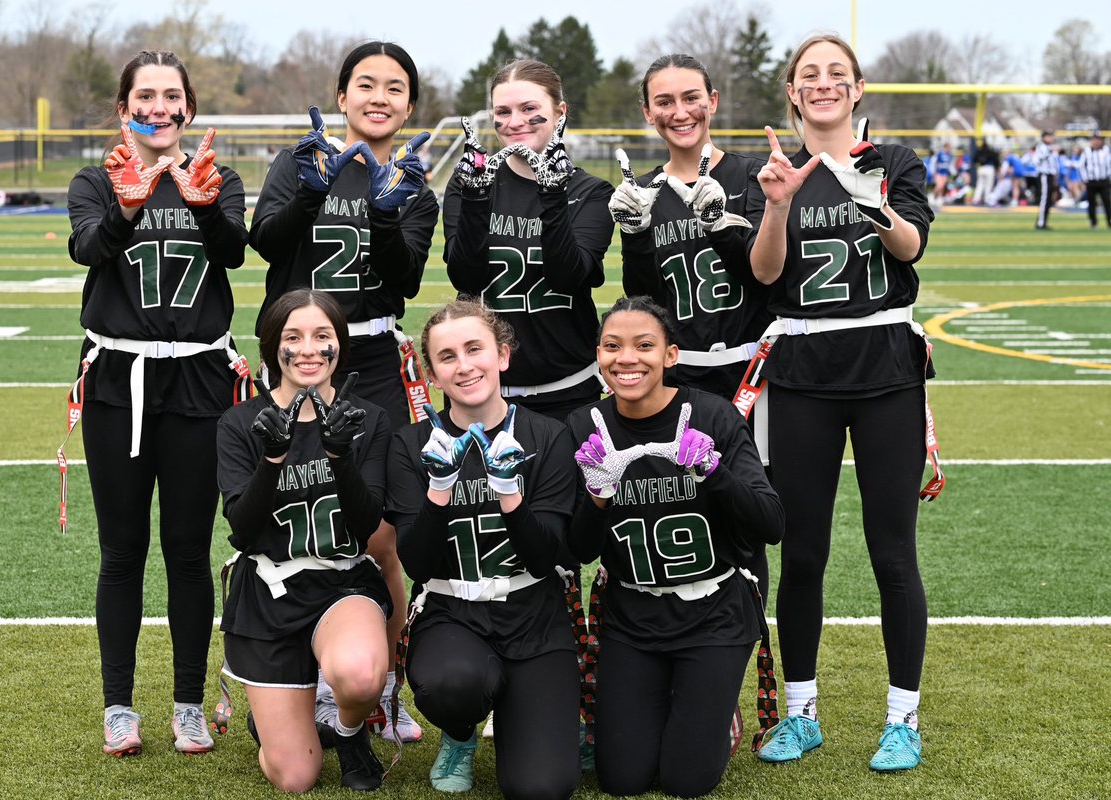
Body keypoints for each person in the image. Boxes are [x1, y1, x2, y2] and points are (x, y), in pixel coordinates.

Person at [747, 34, 936, 772]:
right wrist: (775, 205)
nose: (823, 84)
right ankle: (801, 713)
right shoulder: (771, 168)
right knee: (803, 552)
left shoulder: (895, 161)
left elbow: (911, 247)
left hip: (886, 368)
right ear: (793, 93)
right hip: (802, 372)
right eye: (809, 75)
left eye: (837, 74)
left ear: (857, 89)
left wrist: (872, 203)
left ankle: (903, 718)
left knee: (893, 551)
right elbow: (766, 273)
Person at [249, 40, 439, 741]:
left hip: (375, 363)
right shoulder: (301, 160)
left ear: (410, 106)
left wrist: (386, 211)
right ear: (342, 95)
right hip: (298, 357)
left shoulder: (415, 182)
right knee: (293, 523)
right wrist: (310, 188)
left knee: (382, 535)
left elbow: (407, 276)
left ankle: (381, 687)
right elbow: (265, 242)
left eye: (394, 88)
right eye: (366, 83)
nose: (379, 97)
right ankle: (297, 679)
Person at [65, 50, 247, 757]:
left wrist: (203, 205)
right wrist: (127, 204)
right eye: (145, 95)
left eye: (173, 96)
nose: (159, 107)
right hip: (119, 378)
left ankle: (187, 704)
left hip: (198, 377)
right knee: (121, 550)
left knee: (188, 550)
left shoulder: (217, 177)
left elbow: (233, 252)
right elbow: (87, 248)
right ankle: (118, 706)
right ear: (124, 108)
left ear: (189, 109)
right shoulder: (94, 179)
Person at [566, 296, 783, 797]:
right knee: (622, 779)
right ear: (597, 355)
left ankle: (714, 711)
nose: (627, 358)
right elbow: (579, 549)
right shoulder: (583, 425)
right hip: (631, 617)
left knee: (687, 781)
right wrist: (597, 497)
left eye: (644, 346)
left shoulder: (712, 415)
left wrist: (714, 473)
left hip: (712, 613)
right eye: (612, 346)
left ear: (670, 355)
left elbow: (770, 525)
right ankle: (672, 703)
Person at [385, 299, 580, 798]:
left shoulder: (548, 435)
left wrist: (510, 494)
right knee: (452, 684)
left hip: (534, 612)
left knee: (542, 788)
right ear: (432, 375)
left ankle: (533, 714)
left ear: (503, 356)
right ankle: (460, 732)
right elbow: (417, 564)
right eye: (447, 356)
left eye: (475, 349)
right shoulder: (411, 444)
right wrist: (439, 490)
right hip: (452, 612)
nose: (464, 365)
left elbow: (547, 557)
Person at [610, 52, 772, 599]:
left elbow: (767, 277)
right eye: (664, 101)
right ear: (647, 112)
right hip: (683, 377)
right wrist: (635, 236)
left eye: (690, 98)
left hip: (751, 373)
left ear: (712, 102)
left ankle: (746, 631)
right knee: (686, 507)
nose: (679, 112)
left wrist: (723, 226)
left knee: (750, 514)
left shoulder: (751, 175)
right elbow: (642, 301)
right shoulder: (645, 190)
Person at [216, 289, 392, 792]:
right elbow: (243, 530)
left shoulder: (367, 418)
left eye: (322, 335)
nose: (309, 349)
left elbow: (366, 525)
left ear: (341, 345)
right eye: (293, 337)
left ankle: (349, 731)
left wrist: (340, 455)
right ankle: (279, 722)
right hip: (270, 592)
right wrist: (272, 458)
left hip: (341, 583)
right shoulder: (240, 422)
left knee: (360, 675)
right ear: (273, 346)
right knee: (295, 777)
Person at [443, 59, 614, 423]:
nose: (515, 121)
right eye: (503, 112)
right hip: (483, 393)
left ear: (560, 112)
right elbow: (465, 278)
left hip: (568, 390)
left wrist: (552, 195)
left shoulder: (591, 191)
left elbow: (569, 277)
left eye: (529, 108)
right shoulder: (470, 184)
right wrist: (475, 198)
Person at [1079, 131, 1111, 228]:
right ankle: (1093, 222)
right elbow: (1081, 166)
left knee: (1107, 201)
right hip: (1091, 181)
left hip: (1104, 180)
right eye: (1094, 139)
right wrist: (1085, 179)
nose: (1096, 142)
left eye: (1098, 139)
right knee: (1092, 202)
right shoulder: (1087, 151)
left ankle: (1109, 221)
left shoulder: (1106, 150)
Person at [1033, 130, 1059, 229]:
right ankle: (1041, 223)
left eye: (1051, 136)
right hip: (1044, 175)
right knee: (1044, 199)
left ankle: (1043, 221)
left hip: (1050, 175)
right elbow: (1036, 160)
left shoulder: (1051, 147)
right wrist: (1049, 152)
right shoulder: (1041, 147)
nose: (1051, 138)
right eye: (1048, 136)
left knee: (1048, 200)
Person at [928, 142, 953, 207]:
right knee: (939, 186)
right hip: (939, 172)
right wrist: (933, 172)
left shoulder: (949, 155)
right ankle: (931, 195)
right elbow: (933, 162)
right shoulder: (939, 154)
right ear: (945, 147)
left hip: (945, 173)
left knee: (942, 187)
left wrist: (952, 172)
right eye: (949, 147)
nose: (950, 149)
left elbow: (950, 164)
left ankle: (939, 199)